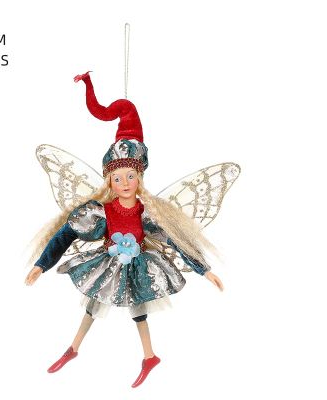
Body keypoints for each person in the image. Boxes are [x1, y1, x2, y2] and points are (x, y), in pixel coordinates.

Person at [25, 71, 224, 388]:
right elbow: (65, 234)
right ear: (110, 182)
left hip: (139, 264)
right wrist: (41, 264)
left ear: (139, 178)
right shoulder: (100, 211)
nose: (125, 183)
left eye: (131, 177)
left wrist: (204, 269)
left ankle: (149, 356)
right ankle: (73, 348)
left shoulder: (149, 213)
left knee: (138, 308)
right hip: (108, 262)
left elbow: (176, 240)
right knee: (93, 305)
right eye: (118, 179)